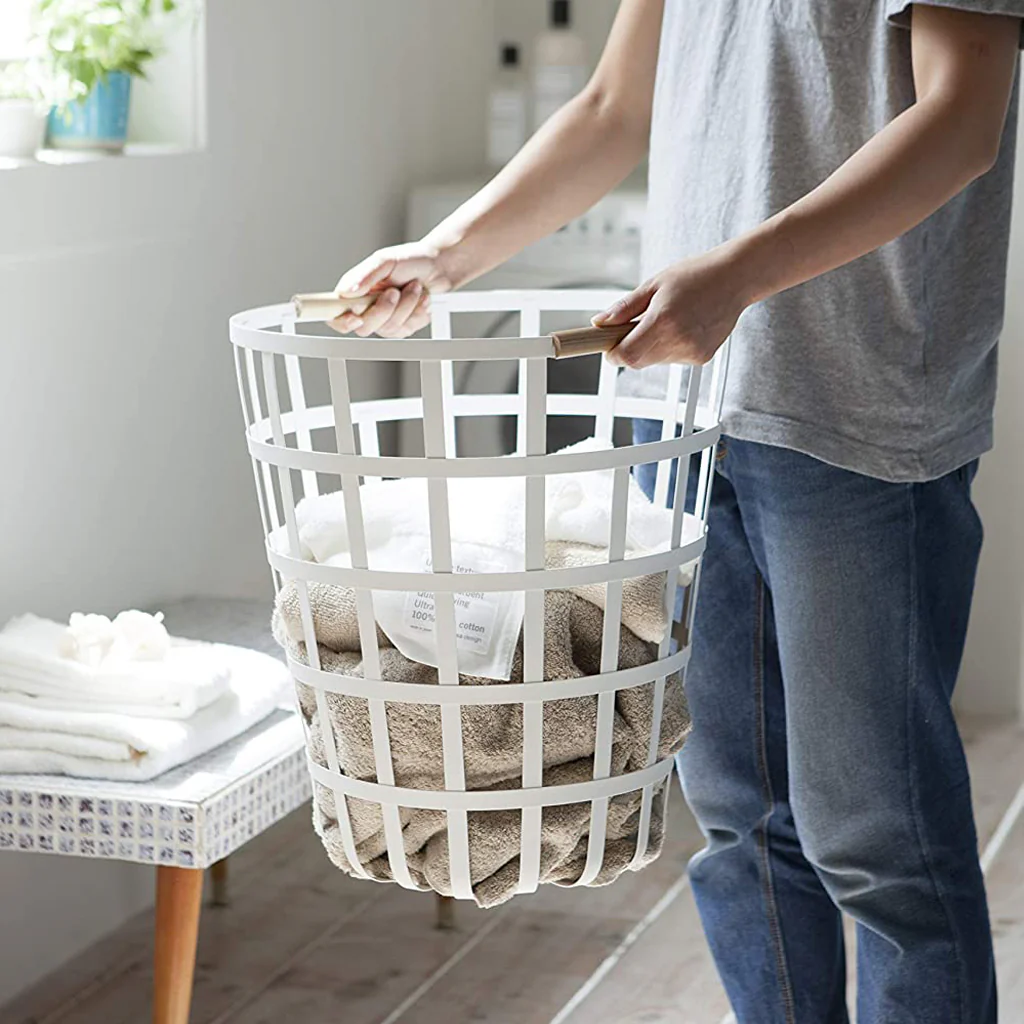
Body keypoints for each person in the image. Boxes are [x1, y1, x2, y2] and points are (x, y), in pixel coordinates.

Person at [332, 2, 1023, 1020]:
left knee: (877, 839)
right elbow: (614, 105)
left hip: (860, 409)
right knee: (737, 816)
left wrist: (737, 275)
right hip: (688, 412)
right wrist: (448, 252)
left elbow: (962, 122)